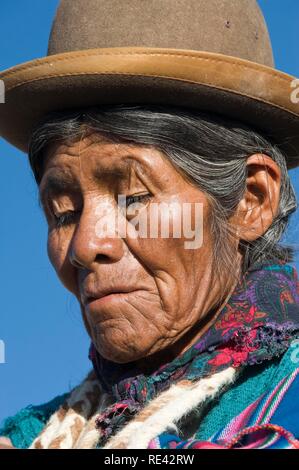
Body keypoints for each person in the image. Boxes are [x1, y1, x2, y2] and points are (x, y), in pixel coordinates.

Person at [0, 0, 299, 449]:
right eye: (63, 212)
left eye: (134, 198)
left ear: (250, 201)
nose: (85, 245)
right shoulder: (30, 437)